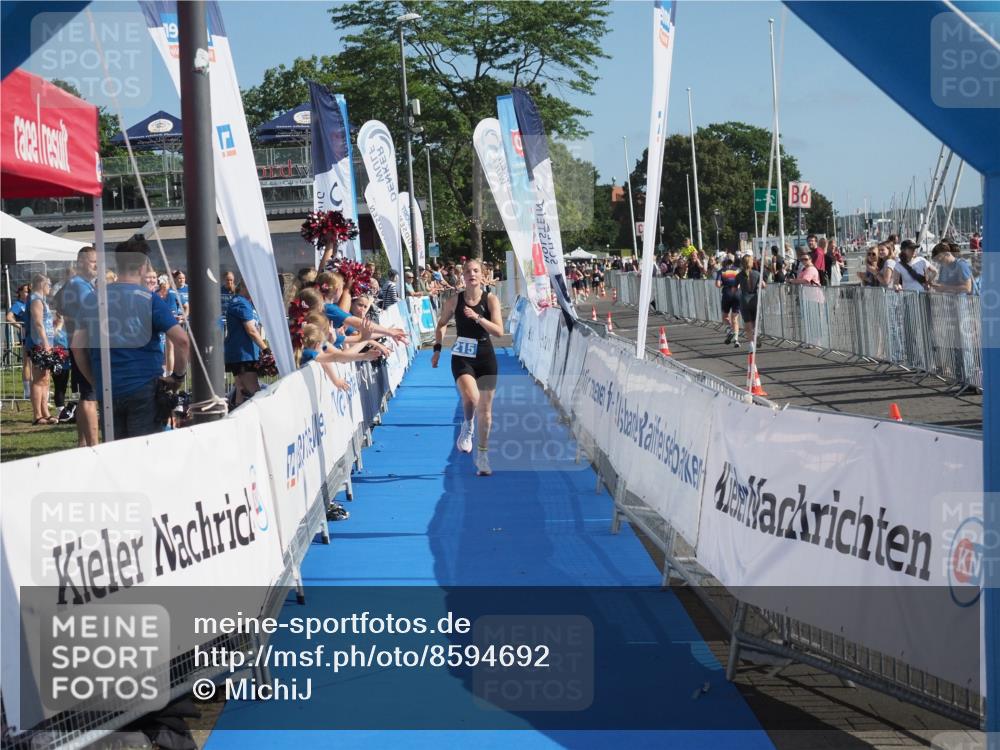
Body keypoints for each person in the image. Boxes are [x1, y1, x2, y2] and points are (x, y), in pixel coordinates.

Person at [72, 235, 189, 440]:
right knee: (144, 454)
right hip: (144, 386)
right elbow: (182, 341)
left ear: (117, 265)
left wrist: (95, 380)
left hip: (109, 388)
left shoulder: (94, 298)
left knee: (116, 455)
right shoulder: (149, 299)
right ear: (143, 268)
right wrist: (178, 377)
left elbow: (76, 347)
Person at [431, 259, 504, 476]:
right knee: (471, 399)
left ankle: (482, 455)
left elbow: (499, 331)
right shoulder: (454, 301)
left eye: (475, 271)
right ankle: (468, 425)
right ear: (462, 276)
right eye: (467, 271)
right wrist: (437, 349)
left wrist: (478, 317)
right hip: (462, 356)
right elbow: (441, 325)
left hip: (485, 356)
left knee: (487, 412)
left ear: (482, 275)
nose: (471, 274)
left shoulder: (490, 299)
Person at [57, 246, 100, 446]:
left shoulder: (79, 284)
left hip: (80, 344)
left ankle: (83, 443)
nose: (97, 265)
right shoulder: (79, 285)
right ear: (81, 262)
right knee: (90, 395)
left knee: (86, 393)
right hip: (85, 345)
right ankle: (93, 444)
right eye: (93, 261)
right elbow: (93, 310)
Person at [225, 280, 268, 406]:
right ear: (244, 286)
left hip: (248, 353)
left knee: (241, 391)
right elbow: (251, 330)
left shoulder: (248, 304)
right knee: (255, 392)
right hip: (243, 354)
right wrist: (266, 349)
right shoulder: (240, 302)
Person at [24, 274, 56, 425]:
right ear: (42, 284)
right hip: (39, 344)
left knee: (45, 378)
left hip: (45, 343)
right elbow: (37, 323)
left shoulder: (41, 300)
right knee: (38, 379)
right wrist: (45, 343)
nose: (50, 287)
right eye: (49, 284)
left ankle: (45, 412)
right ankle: (37, 415)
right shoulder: (36, 300)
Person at [6, 284, 31, 399]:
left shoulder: (33, 302)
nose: (28, 293)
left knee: (37, 363)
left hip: (36, 335)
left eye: (29, 291)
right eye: (26, 291)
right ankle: (27, 391)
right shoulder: (18, 305)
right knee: (27, 362)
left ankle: (37, 388)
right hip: (26, 336)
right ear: (20, 292)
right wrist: (20, 326)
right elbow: (9, 317)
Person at [735, 254, 764, 344]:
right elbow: (763, 285)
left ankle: (751, 344)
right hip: (754, 299)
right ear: (751, 263)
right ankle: (756, 333)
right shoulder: (757, 273)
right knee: (755, 321)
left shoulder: (739, 275)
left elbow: (735, 288)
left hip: (744, 299)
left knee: (747, 323)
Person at [715, 256, 741, 346]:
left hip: (727, 293)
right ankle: (736, 339)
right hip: (737, 294)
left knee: (725, 316)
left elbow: (718, 284)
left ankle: (729, 330)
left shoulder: (721, 271)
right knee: (735, 318)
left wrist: (723, 283)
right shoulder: (737, 270)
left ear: (724, 262)